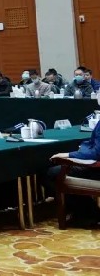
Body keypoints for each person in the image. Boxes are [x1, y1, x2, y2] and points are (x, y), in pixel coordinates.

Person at [49, 95, 100, 225]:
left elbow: (95, 153)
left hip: (97, 169)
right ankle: (87, 213)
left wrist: (69, 155)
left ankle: (89, 214)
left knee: (52, 174)